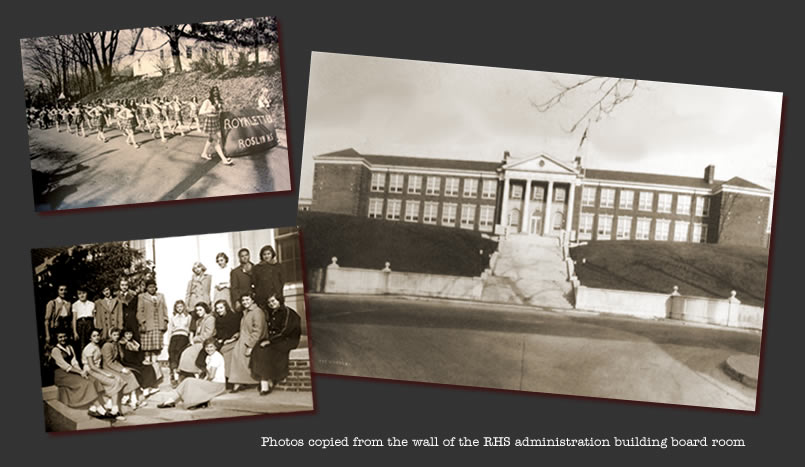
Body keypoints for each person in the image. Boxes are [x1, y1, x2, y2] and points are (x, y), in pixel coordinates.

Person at [50, 331, 109, 418]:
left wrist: (81, 372)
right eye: (60, 337)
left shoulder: (69, 347)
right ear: (57, 339)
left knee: (92, 379)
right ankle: (100, 408)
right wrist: (79, 372)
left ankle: (92, 408)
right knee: (85, 383)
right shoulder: (55, 350)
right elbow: (65, 366)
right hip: (61, 374)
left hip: (72, 371)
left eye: (64, 336)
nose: (63, 339)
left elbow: (74, 362)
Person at [250, 294, 301, 395]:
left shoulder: (288, 313)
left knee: (268, 351)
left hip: (288, 339)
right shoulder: (273, 313)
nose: (271, 304)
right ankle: (266, 380)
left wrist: (270, 341)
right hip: (277, 339)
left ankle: (267, 382)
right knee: (258, 348)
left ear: (279, 301)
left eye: (273, 301)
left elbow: (285, 331)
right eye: (269, 302)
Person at [158, 338, 226, 409]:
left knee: (189, 381)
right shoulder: (209, 356)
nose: (209, 349)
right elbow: (208, 374)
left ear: (216, 347)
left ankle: (173, 401)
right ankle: (171, 401)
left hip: (217, 385)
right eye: (206, 347)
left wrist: (203, 382)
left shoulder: (216, 357)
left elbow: (211, 376)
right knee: (188, 381)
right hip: (212, 384)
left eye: (211, 347)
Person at [81, 328, 125, 417]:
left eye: (98, 335)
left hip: (97, 369)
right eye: (94, 336)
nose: (97, 337)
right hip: (90, 370)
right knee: (113, 381)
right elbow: (92, 366)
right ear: (90, 338)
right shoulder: (89, 348)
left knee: (118, 378)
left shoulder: (96, 346)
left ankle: (114, 408)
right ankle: (114, 409)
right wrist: (105, 373)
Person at [228, 294, 266, 392]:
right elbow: (245, 328)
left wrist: (250, 346)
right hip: (243, 339)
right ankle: (237, 382)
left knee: (238, 357)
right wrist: (237, 335)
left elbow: (258, 330)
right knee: (230, 352)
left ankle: (240, 383)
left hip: (251, 341)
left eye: (247, 300)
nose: (245, 302)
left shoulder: (257, 312)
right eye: (243, 300)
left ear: (252, 300)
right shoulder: (246, 312)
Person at [100, 328, 141, 410]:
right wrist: (121, 370)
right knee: (124, 375)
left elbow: (120, 358)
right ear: (110, 335)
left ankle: (132, 398)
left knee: (130, 373)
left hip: (116, 364)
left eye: (117, 335)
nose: (116, 337)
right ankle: (128, 397)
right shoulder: (107, 345)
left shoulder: (116, 344)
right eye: (114, 335)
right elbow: (109, 362)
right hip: (108, 367)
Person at [177, 302, 216, 378]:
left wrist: (194, 339)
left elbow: (208, 334)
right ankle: (189, 373)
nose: (198, 312)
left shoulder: (210, 319)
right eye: (197, 310)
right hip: (198, 342)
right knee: (185, 351)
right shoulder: (199, 321)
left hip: (206, 342)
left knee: (191, 353)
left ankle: (197, 372)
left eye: (200, 310)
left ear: (205, 310)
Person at [118, 329, 161, 396]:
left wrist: (143, 360)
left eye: (130, 334)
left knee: (149, 366)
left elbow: (139, 354)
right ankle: (145, 387)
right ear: (123, 335)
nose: (129, 335)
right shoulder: (122, 343)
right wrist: (139, 362)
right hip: (128, 362)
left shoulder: (134, 343)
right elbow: (126, 356)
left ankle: (148, 387)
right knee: (140, 369)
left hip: (135, 361)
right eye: (127, 334)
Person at [136, 280, 168, 365]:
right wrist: (142, 322)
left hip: (158, 323)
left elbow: (165, 309)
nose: (152, 289)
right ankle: (147, 361)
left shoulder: (161, 296)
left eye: (153, 287)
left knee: (156, 345)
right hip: (147, 324)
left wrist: (165, 321)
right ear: (146, 288)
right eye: (150, 287)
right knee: (147, 345)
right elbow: (140, 311)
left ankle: (154, 361)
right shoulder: (142, 297)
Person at [199, 86, 233, 165]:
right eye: (214, 91)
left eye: (217, 90)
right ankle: (224, 159)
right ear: (211, 92)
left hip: (216, 121)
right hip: (210, 121)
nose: (215, 92)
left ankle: (204, 153)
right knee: (216, 140)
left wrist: (220, 111)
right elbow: (201, 112)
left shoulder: (219, 101)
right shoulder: (207, 101)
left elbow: (220, 111)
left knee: (211, 138)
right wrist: (209, 110)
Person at [213, 299, 241, 380]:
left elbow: (235, 331)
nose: (219, 310)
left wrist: (227, 339)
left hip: (232, 339)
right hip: (222, 339)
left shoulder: (233, 317)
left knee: (224, 350)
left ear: (226, 307)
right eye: (217, 308)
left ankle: (228, 377)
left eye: (221, 308)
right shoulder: (218, 319)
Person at [253, 245, 284, 311]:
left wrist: (277, 295)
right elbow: (255, 283)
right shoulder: (257, 268)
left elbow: (282, 282)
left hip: (276, 297)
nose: (266, 256)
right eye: (264, 254)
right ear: (261, 256)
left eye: (268, 254)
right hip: (262, 298)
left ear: (272, 254)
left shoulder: (278, 266)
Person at [167, 300, 191, 385]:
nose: (179, 309)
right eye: (177, 307)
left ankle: (179, 373)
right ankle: (174, 373)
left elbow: (189, 329)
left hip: (183, 336)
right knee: (171, 352)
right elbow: (170, 329)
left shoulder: (188, 316)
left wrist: (190, 341)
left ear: (184, 307)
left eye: (181, 306)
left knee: (178, 352)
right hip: (174, 336)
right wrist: (168, 341)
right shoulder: (173, 317)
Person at [71, 287, 96, 361]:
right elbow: (74, 319)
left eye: (83, 293)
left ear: (87, 294)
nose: (82, 295)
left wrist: (95, 328)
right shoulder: (75, 304)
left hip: (89, 323)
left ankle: (91, 361)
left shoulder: (92, 304)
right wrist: (75, 332)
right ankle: (82, 362)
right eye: (79, 294)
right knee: (81, 344)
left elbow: (94, 318)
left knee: (90, 342)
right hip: (80, 324)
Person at [230, 248, 254, 313]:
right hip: (243, 301)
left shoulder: (256, 268)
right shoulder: (235, 272)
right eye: (242, 256)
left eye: (246, 255)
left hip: (255, 299)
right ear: (239, 258)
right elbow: (234, 288)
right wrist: (237, 301)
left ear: (249, 256)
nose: (245, 257)